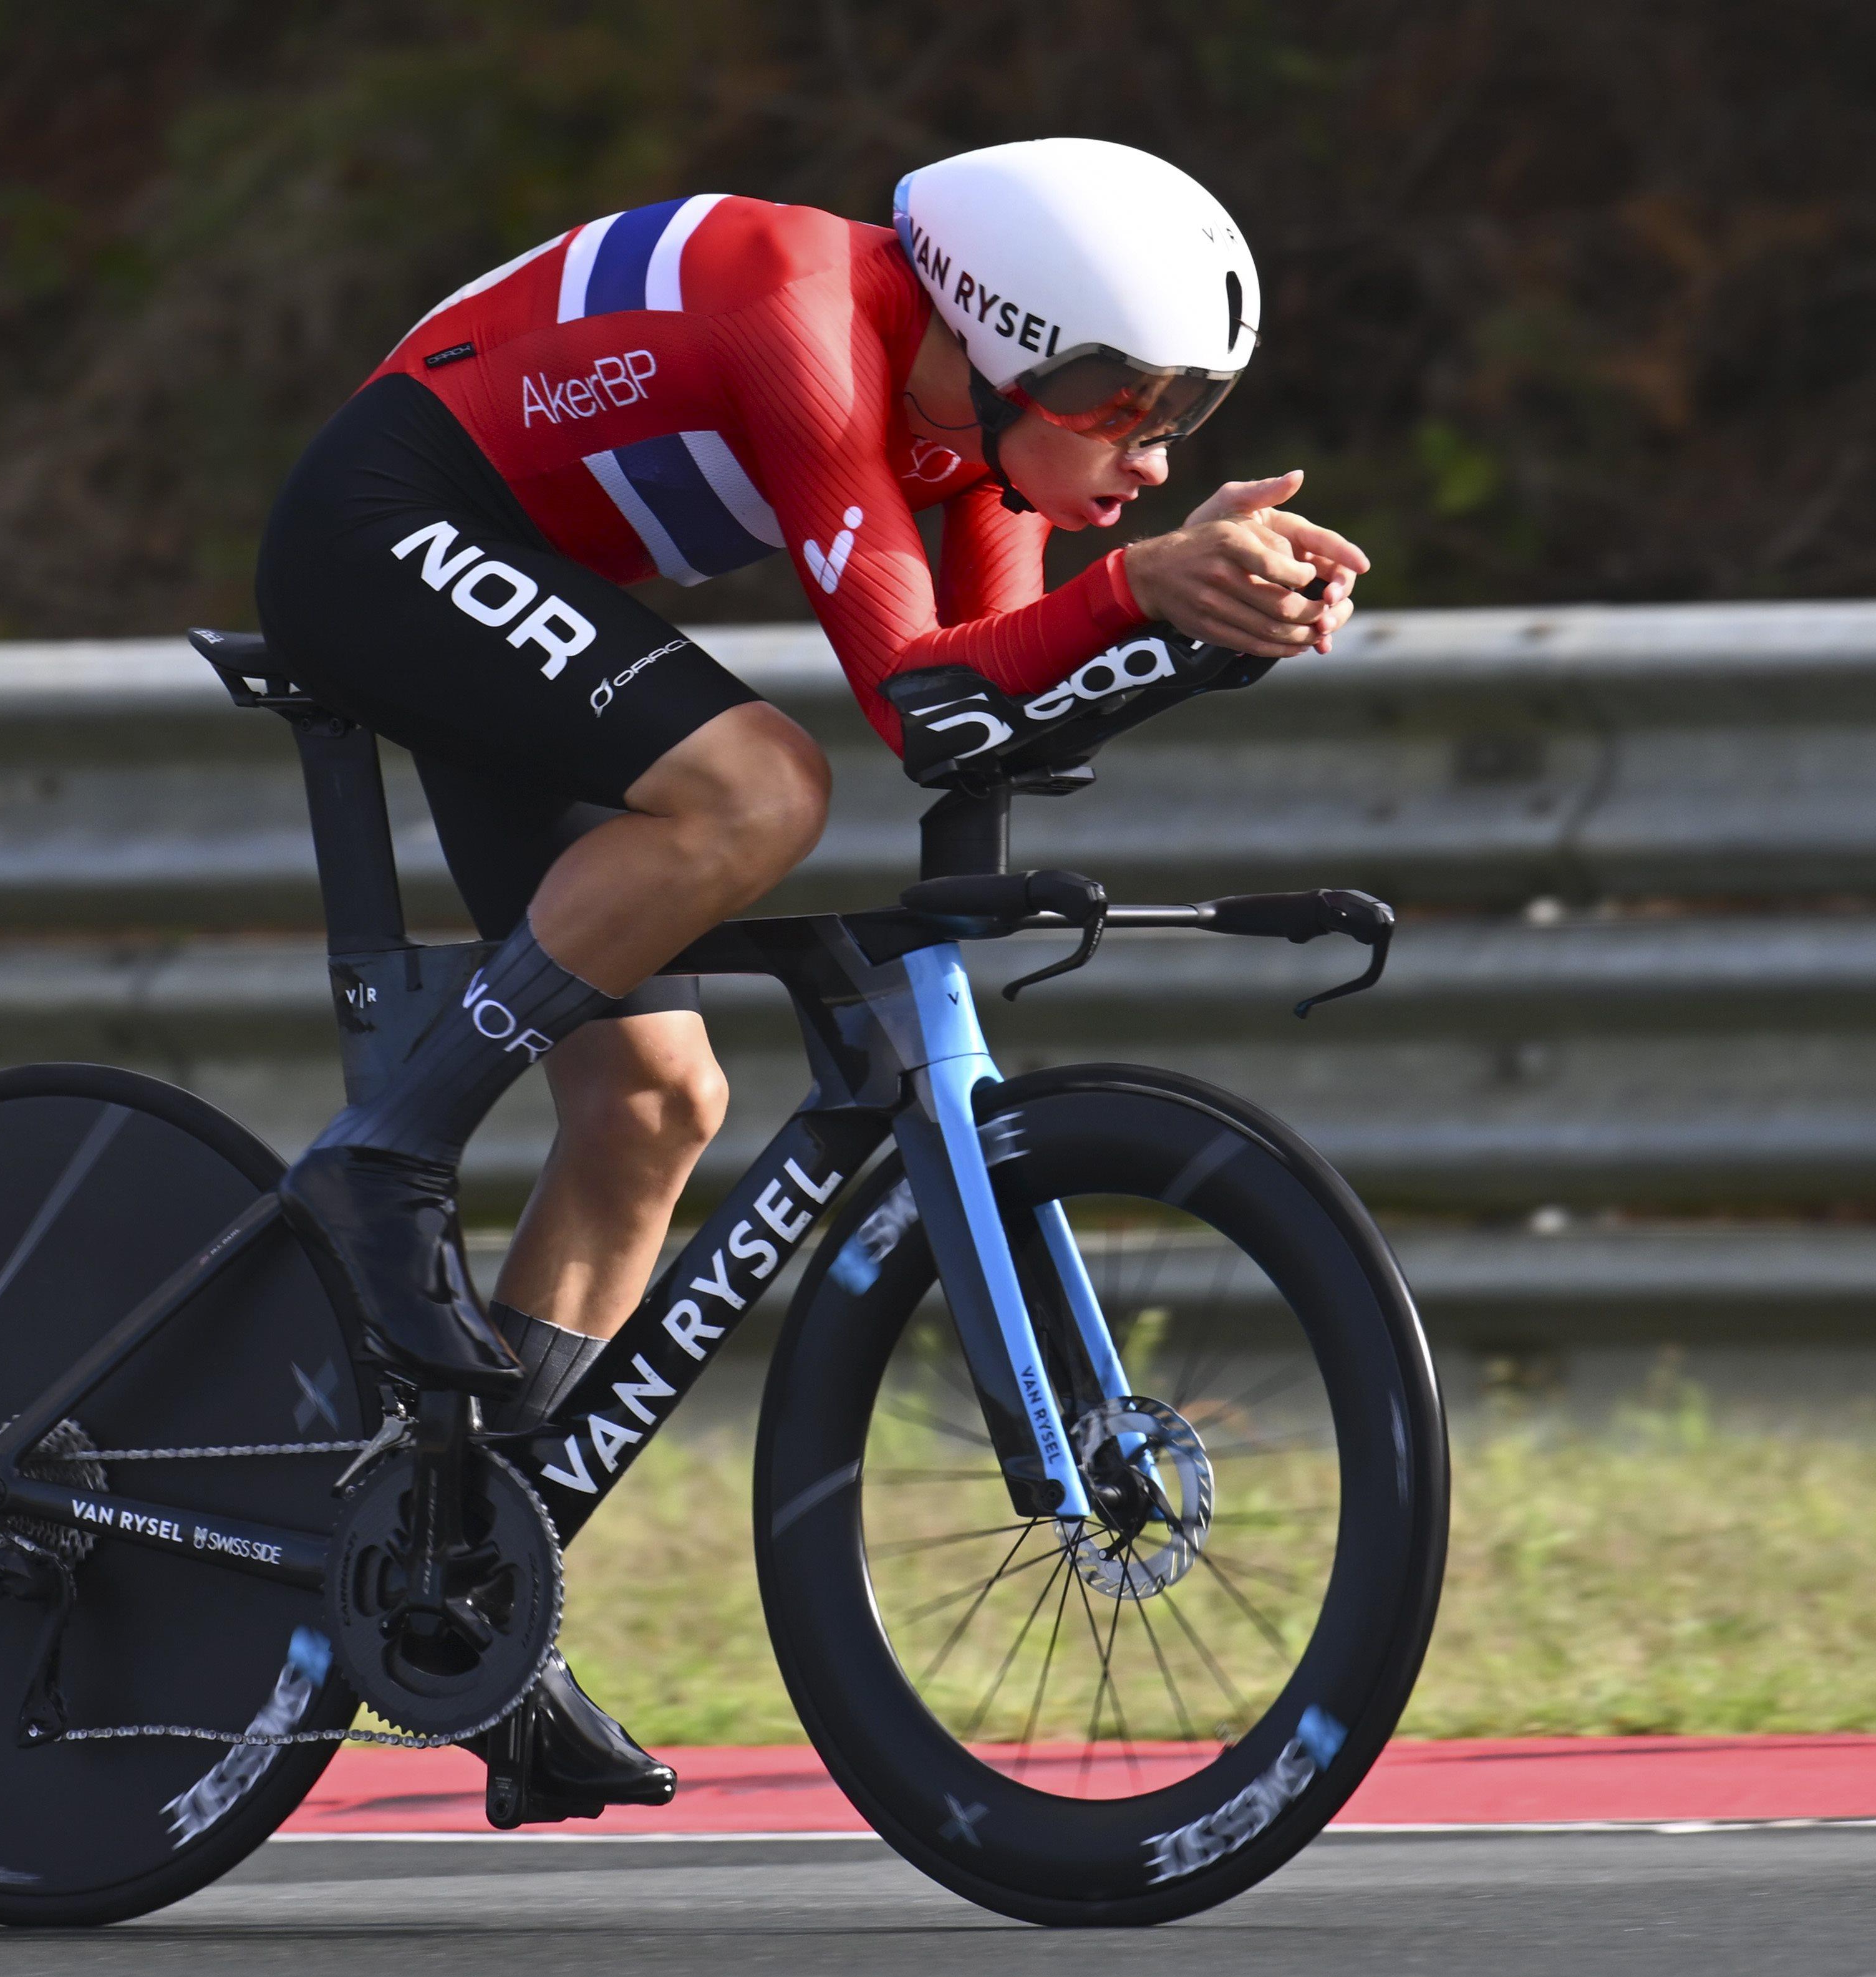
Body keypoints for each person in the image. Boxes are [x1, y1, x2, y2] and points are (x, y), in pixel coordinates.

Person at [254, 137, 1368, 1819]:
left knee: (651, 1103)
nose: (1148, 453)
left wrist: (1200, 632)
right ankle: (381, 1151)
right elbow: (918, 695)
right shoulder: (804, 317)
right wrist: (1140, 591)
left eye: (1183, 419)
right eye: (1125, 404)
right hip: (382, 523)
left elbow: (997, 730)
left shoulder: (982, 445)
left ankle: (467, 1589)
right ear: (999, 343)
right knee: (758, 788)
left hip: (523, 577)